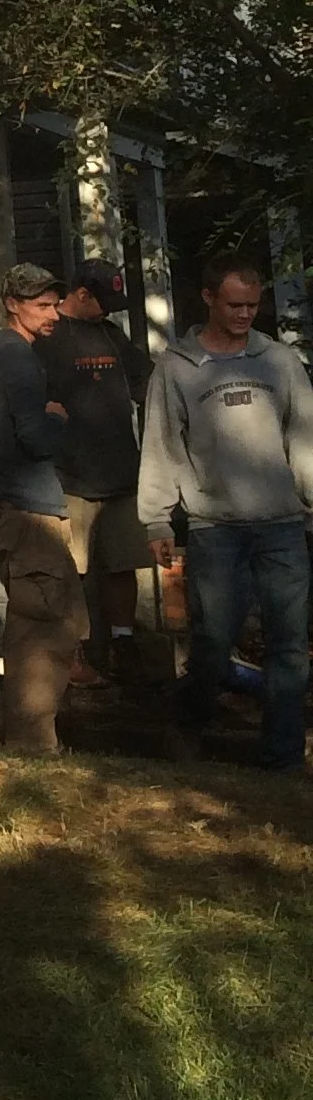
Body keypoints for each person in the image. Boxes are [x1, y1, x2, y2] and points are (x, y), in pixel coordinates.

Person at [139, 254, 313, 770]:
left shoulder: (279, 362)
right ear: (209, 298)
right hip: (215, 529)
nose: (244, 314)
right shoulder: (176, 367)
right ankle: (189, 722)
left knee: (289, 643)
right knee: (213, 640)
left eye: (253, 305)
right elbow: (162, 445)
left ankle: (281, 755)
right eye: (235, 304)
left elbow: (303, 440)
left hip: (281, 524)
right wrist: (156, 517)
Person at [0, 263, 85, 752]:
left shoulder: (4, 353)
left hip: (21, 507)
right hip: (27, 511)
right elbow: (34, 437)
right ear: (13, 305)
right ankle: (33, 744)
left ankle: (1, 730)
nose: (53, 313)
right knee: (44, 631)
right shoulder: (13, 355)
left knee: (55, 621)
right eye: (42, 305)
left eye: (55, 303)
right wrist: (56, 418)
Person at [40, 262, 150, 676]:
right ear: (82, 293)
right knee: (75, 569)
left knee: (124, 562)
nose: (110, 310)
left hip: (122, 472)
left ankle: (124, 640)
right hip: (69, 475)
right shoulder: (48, 339)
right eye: (104, 301)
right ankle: (81, 647)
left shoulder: (111, 335)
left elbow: (147, 383)